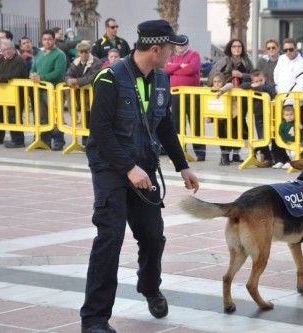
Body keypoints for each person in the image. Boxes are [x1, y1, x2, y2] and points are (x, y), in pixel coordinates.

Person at [80, 19, 199, 333]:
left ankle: (149, 286)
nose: (175, 52)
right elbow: (101, 132)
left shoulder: (161, 79)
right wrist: (128, 168)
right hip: (111, 168)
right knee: (110, 237)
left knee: (152, 236)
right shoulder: (110, 78)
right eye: (172, 47)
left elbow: (164, 125)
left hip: (143, 167)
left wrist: (182, 164)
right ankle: (94, 319)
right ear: (156, 48)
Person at [208, 38, 253, 163]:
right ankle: (225, 155)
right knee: (223, 125)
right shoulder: (223, 60)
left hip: (242, 98)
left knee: (240, 125)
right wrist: (225, 80)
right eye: (234, 46)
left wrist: (241, 75)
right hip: (225, 97)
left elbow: (254, 76)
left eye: (239, 46)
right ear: (230, 48)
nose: (237, 48)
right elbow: (213, 76)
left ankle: (236, 153)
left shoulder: (247, 61)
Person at [164, 35, 206, 161]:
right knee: (177, 123)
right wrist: (180, 66)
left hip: (192, 95)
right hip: (176, 95)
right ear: (175, 45)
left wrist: (174, 68)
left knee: (195, 122)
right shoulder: (171, 57)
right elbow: (166, 69)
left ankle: (200, 151)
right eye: (178, 44)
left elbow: (191, 69)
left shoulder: (194, 55)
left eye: (183, 44)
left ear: (187, 45)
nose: (180, 47)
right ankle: (181, 150)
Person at [29, 29, 68, 151]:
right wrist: (32, 75)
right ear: (42, 40)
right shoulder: (39, 54)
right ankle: (44, 140)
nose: (47, 41)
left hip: (54, 90)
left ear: (54, 40)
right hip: (39, 90)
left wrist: (41, 78)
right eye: (45, 39)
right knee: (43, 116)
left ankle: (58, 141)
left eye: (49, 39)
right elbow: (33, 68)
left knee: (55, 116)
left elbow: (58, 72)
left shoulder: (59, 54)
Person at [0, 39, 27, 148]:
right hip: (2, 93)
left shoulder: (19, 60)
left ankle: (18, 141)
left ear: (13, 49)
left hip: (17, 94)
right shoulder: (0, 59)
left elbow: (16, 74)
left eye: (8, 49)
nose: (6, 52)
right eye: (4, 50)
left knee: (13, 117)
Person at [65, 40, 102, 146]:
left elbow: (93, 76)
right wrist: (69, 80)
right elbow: (68, 74)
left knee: (93, 118)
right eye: (81, 52)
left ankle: (94, 142)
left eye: (86, 51)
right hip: (82, 96)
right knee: (85, 117)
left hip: (94, 95)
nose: (84, 54)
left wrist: (77, 81)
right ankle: (86, 141)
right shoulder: (75, 62)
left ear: (89, 51)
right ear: (78, 53)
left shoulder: (96, 62)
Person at [241, 69, 274, 167]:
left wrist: (256, 87)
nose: (259, 83)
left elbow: (269, 89)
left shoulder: (268, 86)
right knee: (261, 138)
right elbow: (243, 86)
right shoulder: (251, 86)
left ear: (265, 79)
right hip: (258, 116)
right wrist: (251, 86)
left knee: (269, 138)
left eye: (260, 80)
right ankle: (268, 158)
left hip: (270, 115)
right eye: (256, 81)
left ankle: (259, 152)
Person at [274, 104, 303, 169]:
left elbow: (301, 130)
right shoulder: (283, 124)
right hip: (287, 142)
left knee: (293, 154)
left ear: (294, 115)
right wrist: (285, 140)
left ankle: (294, 164)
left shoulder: (296, 122)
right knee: (289, 154)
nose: (289, 116)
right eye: (287, 115)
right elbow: (281, 132)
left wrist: (301, 127)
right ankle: (292, 163)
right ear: (283, 116)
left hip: (295, 142)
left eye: (291, 114)